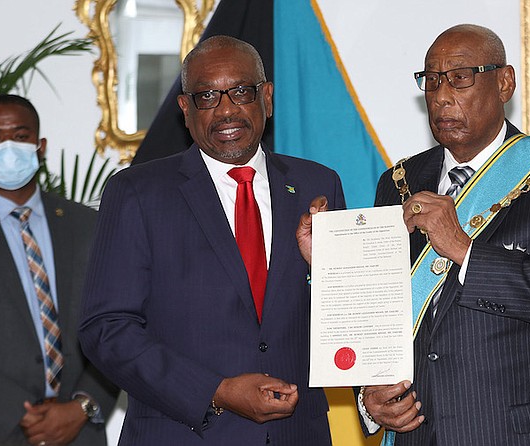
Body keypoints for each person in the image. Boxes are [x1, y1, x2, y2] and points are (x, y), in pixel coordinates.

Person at [299, 24, 530, 446]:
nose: (442, 95)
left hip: (518, 436)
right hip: (418, 435)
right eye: (431, 81)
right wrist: (368, 398)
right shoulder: (399, 182)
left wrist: (465, 250)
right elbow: (377, 313)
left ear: (504, 82)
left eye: (460, 77)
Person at [78, 36, 344, 445]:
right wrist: (215, 391)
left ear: (266, 98)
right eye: (206, 96)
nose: (226, 110)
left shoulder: (316, 184)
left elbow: (344, 311)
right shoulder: (137, 192)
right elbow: (106, 329)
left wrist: (320, 271)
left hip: (298, 433)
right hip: (182, 433)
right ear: (185, 109)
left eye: (240, 91)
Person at [0, 94, 119, 445]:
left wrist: (82, 407)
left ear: (40, 145)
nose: (7, 148)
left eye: (19, 136)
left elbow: (120, 322)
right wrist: (16, 417)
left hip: (80, 431)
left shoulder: (87, 225)